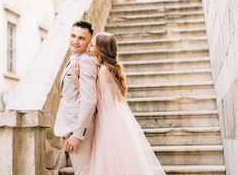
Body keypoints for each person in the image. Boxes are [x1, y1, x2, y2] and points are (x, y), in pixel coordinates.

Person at [72, 32, 165, 175]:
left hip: (105, 121)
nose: (90, 45)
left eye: (93, 44)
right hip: (114, 118)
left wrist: (77, 80)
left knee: (110, 162)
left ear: (101, 48)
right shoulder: (108, 68)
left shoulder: (103, 71)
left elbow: (94, 99)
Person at [54, 20, 98, 175]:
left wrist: (78, 134)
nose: (75, 41)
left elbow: (89, 99)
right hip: (73, 128)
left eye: (81, 38)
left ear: (88, 42)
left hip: (79, 131)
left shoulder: (85, 62)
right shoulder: (75, 59)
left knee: (83, 172)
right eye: (73, 36)